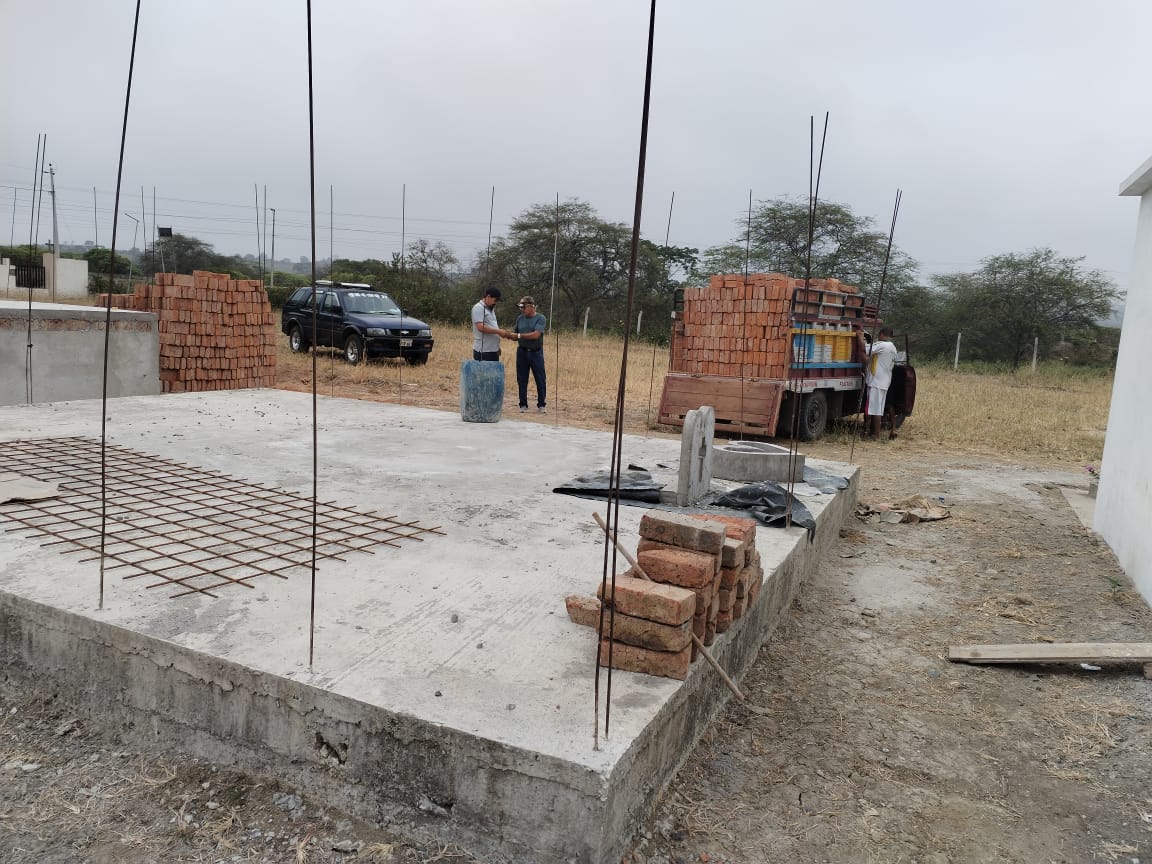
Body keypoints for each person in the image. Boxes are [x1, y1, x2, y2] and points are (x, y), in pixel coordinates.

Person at [507, 295, 547, 413]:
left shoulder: (541, 318)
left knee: (540, 378)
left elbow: (536, 335)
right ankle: (523, 404)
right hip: (522, 352)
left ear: (530, 306)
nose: (521, 309)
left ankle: (541, 404)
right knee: (522, 379)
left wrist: (519, 336)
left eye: (523, 307)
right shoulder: (520, 318)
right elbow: (516, 334)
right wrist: (509, 335)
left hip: (536, 353)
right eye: (520, 307)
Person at [858, 325, 898, 439]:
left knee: (875, 410)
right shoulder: (893, 347)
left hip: (876, 382)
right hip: (884, 382)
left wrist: (859, 337)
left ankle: (875, 435)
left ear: (881, 334)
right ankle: (873, 433)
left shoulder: (882, 345)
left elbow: (864, 348)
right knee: (877, 409)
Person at [471, 288, 508, 361]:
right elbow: (481, 327)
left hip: (492, 350)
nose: (496, 303)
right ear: (488, 297)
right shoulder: (478, 308)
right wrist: (499, 331)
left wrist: (496, 347)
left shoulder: (491, 309)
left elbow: (492, 326)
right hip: (484, 351)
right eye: (495, 300)